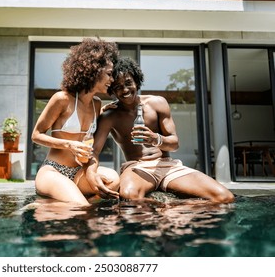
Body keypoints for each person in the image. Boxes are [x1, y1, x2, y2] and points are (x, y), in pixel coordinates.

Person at [86, 57, 235, 204]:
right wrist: (92, 173)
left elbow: (174, 144)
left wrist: (155, 139)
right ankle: (167, 207)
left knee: (225, 198)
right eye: (118, 87)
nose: (124, 90)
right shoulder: (110, 116)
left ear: (137, 82)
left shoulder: (157, 103)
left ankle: (172, 206)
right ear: (112, 91)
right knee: (128, 197)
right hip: (137, 167)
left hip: (167, 165)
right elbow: (95, 151)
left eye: (128, 83)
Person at [31, 38, 120, 206]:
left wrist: (107, 112)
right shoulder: (62, 99)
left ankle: (61, 200)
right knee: (80, 207)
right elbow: (36, 135)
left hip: (79, 172)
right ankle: (48, 203)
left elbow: (88, 128)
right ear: (93, 70)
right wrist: (68, 145)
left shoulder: (97, 104)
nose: (112, 79)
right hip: (54, 171)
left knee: (113, 181)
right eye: (109, 74)